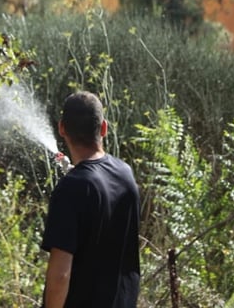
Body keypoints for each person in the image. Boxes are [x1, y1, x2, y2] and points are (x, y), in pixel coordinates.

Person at [41, 91, 140, 308]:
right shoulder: (126, 174)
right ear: (103, 128)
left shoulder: (71, 188)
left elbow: (60, 275)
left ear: (61, 128)